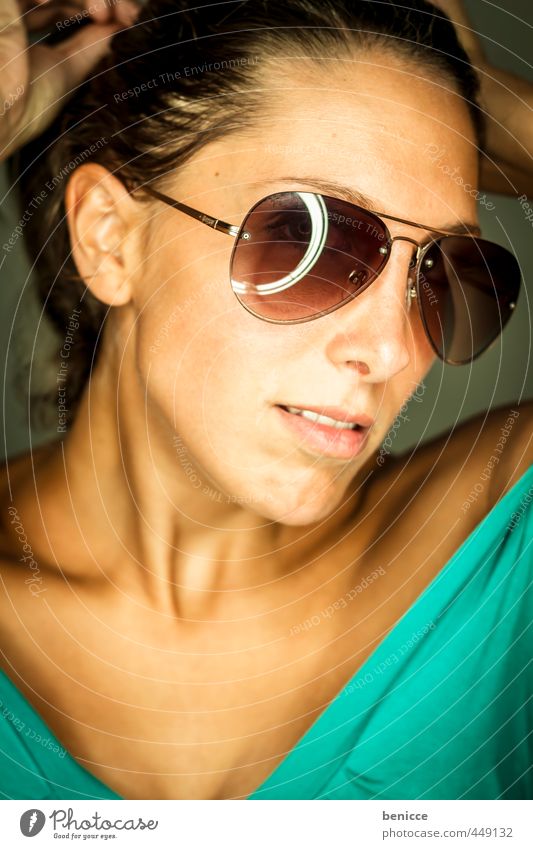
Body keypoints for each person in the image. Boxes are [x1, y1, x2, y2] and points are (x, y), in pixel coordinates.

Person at [0, 0, 531, 801]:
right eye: (308, 241)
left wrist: (472, 92)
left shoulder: (499, 559)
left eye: (444, 275)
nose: (390, 349)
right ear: (110, 235)